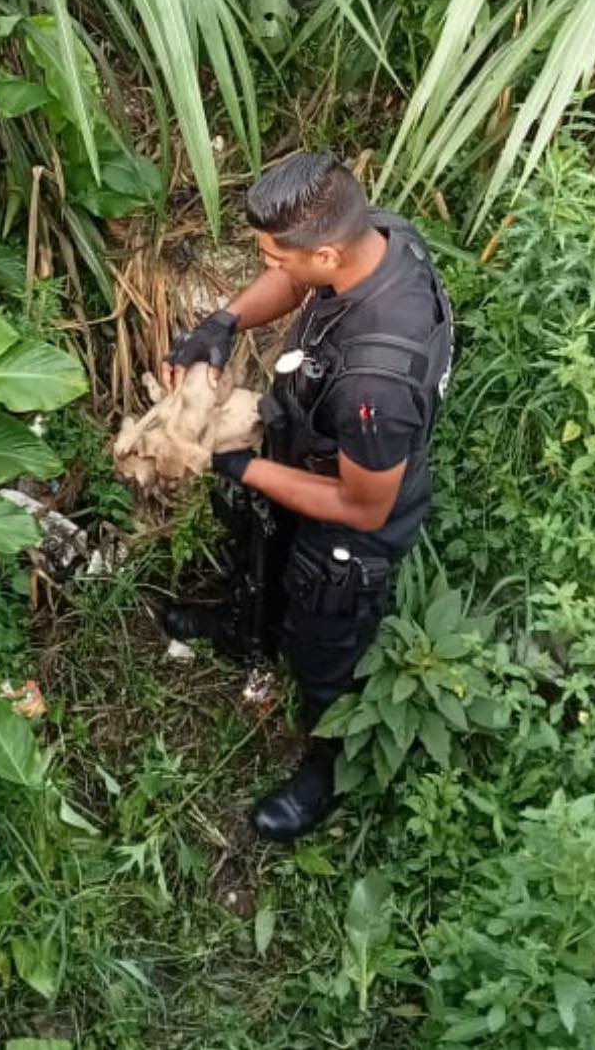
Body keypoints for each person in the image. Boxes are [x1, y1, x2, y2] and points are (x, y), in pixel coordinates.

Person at [160, 153, 453, 842]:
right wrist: (223, 324)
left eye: (276, 257)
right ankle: (244, 627)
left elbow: (361, 508)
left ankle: (326, 766)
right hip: (312, 452)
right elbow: (294, 284)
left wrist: (234, 464)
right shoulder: (375, 236)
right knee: (262, 548)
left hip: (353, 517)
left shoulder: (377, 382)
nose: (272, 268)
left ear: (324, 251)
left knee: (325, 637)